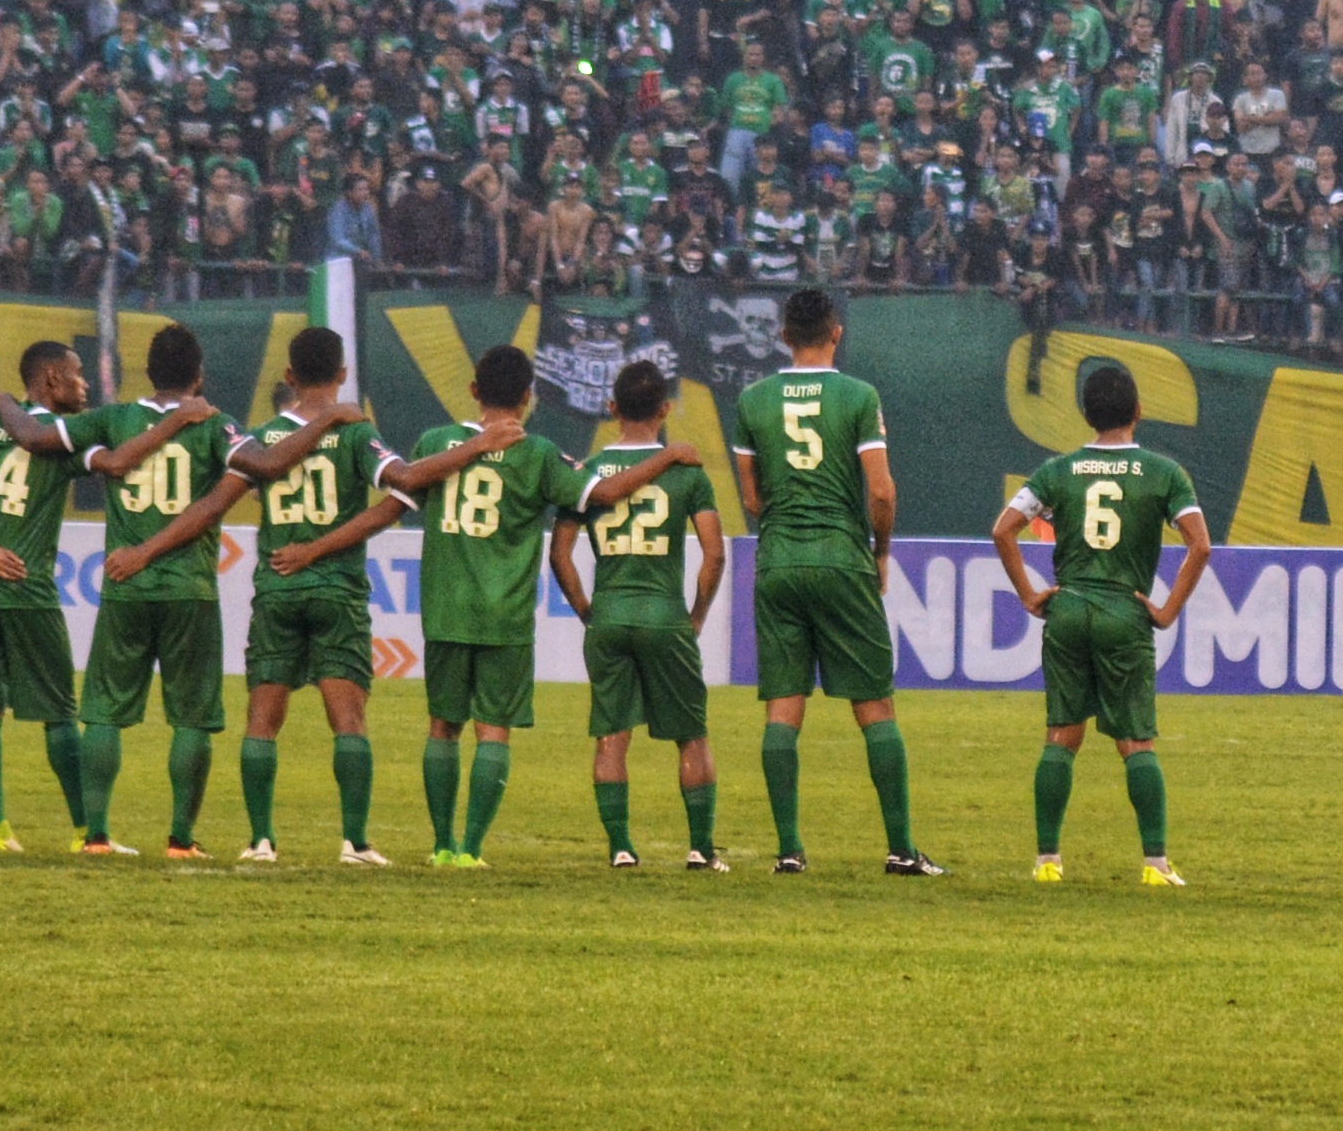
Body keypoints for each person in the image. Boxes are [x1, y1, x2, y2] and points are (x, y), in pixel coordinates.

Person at [97, 327, 457, 862]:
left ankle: (260, 840)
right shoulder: (357, 432)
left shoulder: (261, 438)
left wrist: (145, 549)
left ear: (288, 377)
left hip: (276, 587)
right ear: (342, 375)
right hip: (336, 589)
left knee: (262, 720)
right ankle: (355, 842)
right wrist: (474, 447)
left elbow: (213, 505)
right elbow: (402, 483)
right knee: (349, 721)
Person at [401, 345, 691, 868]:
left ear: (472, 391)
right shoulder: (538, 455)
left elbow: (402, 487)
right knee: (493, 729)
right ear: (529, 398)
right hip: (504, 616)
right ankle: (470, 849)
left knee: (443, 725)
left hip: (443, 608)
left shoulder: (434, 442)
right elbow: (606, 493)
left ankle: (441, 844)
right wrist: (667, 456)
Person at [0, 343, 211, 853]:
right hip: (28, 591)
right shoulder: (61, 441)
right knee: (58, 714)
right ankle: (84, 832)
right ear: (51, 378)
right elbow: (118, 463)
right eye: (77, 375)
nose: (85, 386)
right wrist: (176, 421)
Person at [730, 286, 943, 877]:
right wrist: (880, 553)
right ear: (837, 332)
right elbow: (881, 490)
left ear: (782, 337)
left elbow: (751, 498)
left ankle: (789, 851)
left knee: (782, 709)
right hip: (841, 556)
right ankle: (901, 849)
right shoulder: (857, 395)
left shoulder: (752, 399)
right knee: (874, 706)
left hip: (777, 561)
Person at [989, 361, 1211, 885]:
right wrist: (1167, 610)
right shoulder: (1163, 473)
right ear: (1138, 411)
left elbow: (1003, 530)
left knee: (1061, 735)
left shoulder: (1056, 470)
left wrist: (1028, 594)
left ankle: (1047, 862)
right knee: (1136, 741)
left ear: (1086, 414)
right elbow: (1199, 543)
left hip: (1066, 610)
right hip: (1123, 613)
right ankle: (1155, 864)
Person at [551, 360, 728, 871]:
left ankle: (621, 848)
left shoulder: (585, 474)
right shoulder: (686, 473)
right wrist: (695, 615)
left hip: (608, 616)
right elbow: (714, 553)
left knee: (612, 737)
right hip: (664, 616)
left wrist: (588, 609)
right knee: (691, 735)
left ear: (611, 409)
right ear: (665, 409)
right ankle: (700, 849)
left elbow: (560, 554)